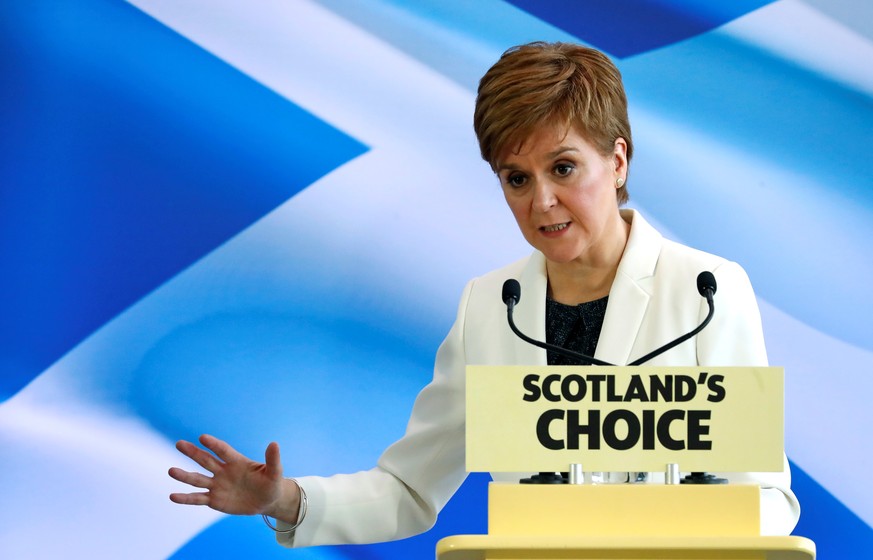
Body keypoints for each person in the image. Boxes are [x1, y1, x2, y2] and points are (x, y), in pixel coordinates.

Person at [168, 41, 800, 546]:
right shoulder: (491, 308)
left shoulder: (705, 292)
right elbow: (409, 493)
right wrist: (283, 500)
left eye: (563, 167)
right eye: (516, 178)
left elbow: (765, 498)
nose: (541, 201)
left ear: (618, 161)